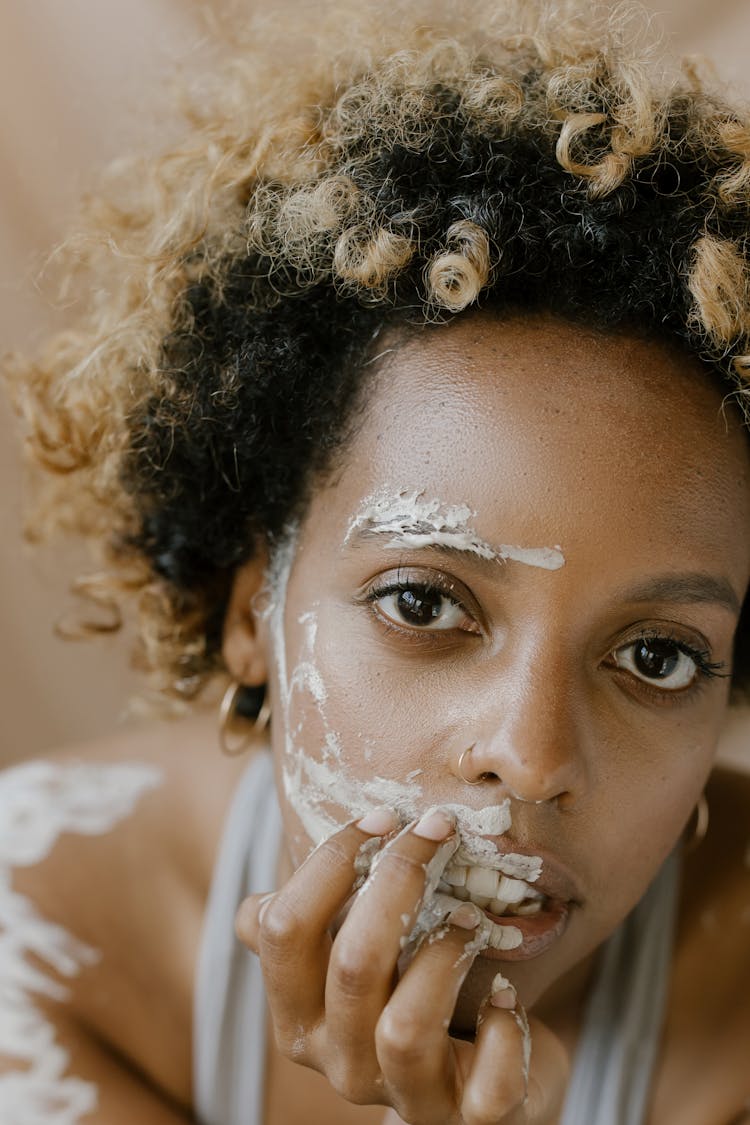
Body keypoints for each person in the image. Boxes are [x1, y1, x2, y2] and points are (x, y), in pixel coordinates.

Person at [2, 1, 750, 1121]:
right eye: (423, 600)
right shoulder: (41, 947)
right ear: (253, 602)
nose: (530, 758)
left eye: (657, 655)